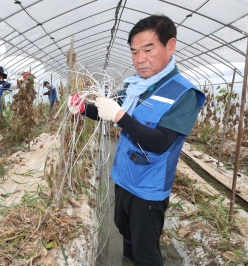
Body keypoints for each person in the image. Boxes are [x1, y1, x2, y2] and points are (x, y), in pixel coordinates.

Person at [68, 15, 205, 265]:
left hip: (149, 188)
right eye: (134, 52)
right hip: (123, 177)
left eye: (148, 49)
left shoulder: (182, 93)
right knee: (124, 228)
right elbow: (105, 112)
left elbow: (161, 141)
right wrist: (83, 108)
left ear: (170, 45)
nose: (140, 59)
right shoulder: (135, 86)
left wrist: (119, 115)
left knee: (146, 251)